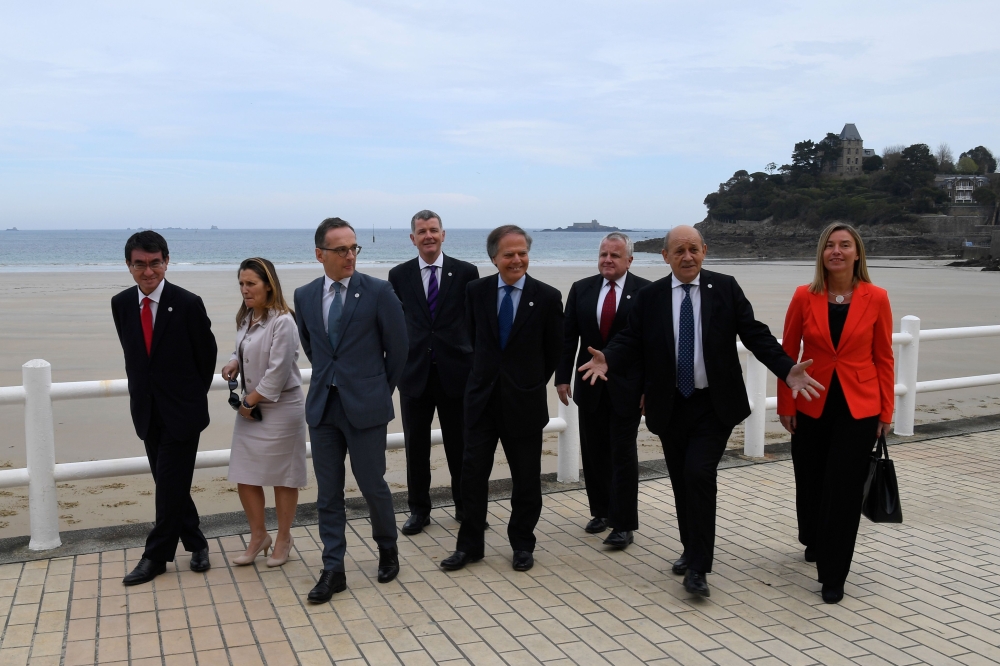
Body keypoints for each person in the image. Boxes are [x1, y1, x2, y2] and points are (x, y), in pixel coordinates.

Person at [580, 225, 823, 598]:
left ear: (704, 251)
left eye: (693, 248)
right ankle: (690, 548)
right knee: (682, 480)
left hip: (713, 405)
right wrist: (608, 358)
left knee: (698, 474)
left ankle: (698, 568)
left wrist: (786, 368)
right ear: (665, 256)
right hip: (669, 405)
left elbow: (755, 333)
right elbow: (631, 338)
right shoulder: (650, 296)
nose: (687, 256)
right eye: (679, 250)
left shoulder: (724, 288)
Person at [778, 223, 894, 605]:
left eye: (845, 245)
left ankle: (833, 573)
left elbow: (884, 358)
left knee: (844, 490)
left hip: (859, 408)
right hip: (811, 402)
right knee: (811, 481)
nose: (837, 251)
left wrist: (886, 411)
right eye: (830, 245)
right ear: (821, 254)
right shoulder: (803, 296)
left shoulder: (877, 298)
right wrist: (786, 404)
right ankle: (813, 537)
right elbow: (787, 354)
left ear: (857, 253)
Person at [293, 217, 408, 602]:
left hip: (366, 408)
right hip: (323, 408)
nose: (350, 256)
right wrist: (334, 379)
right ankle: (333, 569)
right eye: (340, 249)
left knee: (372, 484)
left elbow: (399, 350)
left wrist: (376, 390)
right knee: (328, 493)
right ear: (319, 254)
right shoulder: (305, 295)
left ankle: (387, 547)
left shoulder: (379, 291)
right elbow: (314, 347)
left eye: (353, 248)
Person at [441, 225, 564, 573]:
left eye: (522, 252)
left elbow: (553, 351)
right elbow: (471, 338)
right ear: (494, 258)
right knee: (472, 476)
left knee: (526, 479)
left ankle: (522, 544)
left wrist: (527, 383)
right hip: (481, 401)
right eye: (509, 254)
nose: (517, 260)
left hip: (524, 403)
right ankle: (469, 546)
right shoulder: (476, 291)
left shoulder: (547, 297)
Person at [111, 230, 218, 586]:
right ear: (128, 265)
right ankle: (197, 544)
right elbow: (135, 357)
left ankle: (155, 557)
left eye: (155, 263)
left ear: (167, 262)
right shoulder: (121, 304)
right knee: (171, 483)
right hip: (146, 411)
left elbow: (206, 356)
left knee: (168, 486)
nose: (148, 271)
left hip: (182, 413)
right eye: (139, 264)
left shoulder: (187, 303)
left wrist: (189, 398)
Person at [388, 210, 480, 534]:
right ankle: (419, 510)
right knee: (416, 448)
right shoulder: (399, 275)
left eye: (433, 230)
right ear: (412, 238)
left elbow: (475, 320)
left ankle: (465, 507)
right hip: (414, 374)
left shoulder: (466, 272)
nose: (428, 236)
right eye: (422, 231)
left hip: (457, 372)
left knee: (461, 446)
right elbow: (395, 325)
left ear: (443, 234)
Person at [556, 233, 650, 548]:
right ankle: (601, 512)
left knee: (622, 455)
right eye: (603, 254)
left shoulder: (646, 292)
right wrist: (562, 377)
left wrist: (648, 388)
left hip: (627, 387)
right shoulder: (581, 289)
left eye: (615, 255)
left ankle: (623, 525)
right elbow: (568, 337)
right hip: (589, 384)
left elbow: (653, 346)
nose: (607, 260)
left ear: (629, 260)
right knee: (594, 453)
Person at [220, 258, 307, 568]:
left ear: (268, 285)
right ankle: (259, 537)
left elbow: (278, 371)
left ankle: (283, 538)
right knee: (244, 475)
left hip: (281, 407)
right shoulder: (246, 317)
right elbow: (243, 348)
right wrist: (233, 362)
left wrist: (249, 402)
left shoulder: (283, 321)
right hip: (252, 409)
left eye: (251, 284)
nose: (245, 289)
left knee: (284, 478)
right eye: (241, 284)